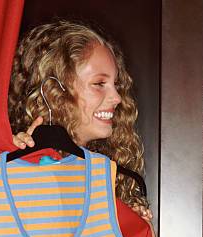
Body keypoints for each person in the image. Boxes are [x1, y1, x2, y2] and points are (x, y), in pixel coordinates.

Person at [9, 20, 154, 225]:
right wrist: (16, 163)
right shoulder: (11, 165)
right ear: (55, 91)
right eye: (99, 84)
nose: (117, 98)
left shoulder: (107, 176)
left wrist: (139, 233)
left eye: (116, 84)